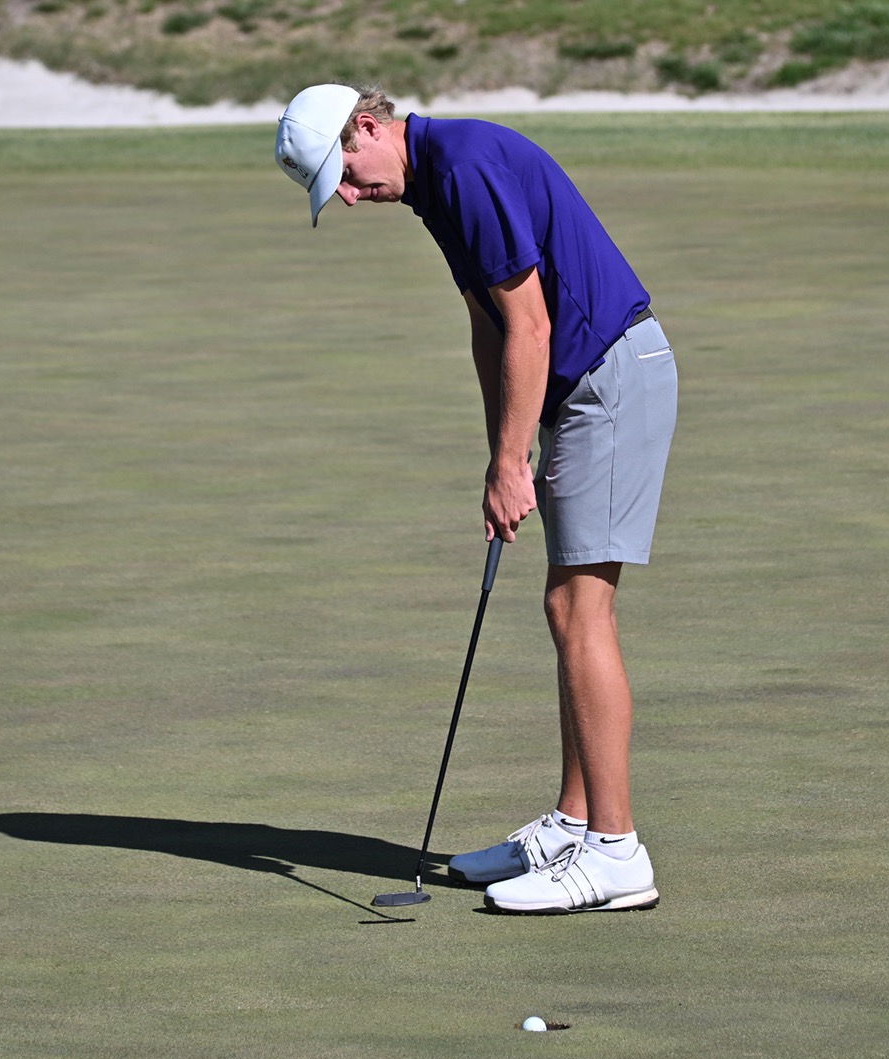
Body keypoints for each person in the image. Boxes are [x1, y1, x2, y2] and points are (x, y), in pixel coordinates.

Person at [275, 83, 678, 914]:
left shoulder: (464, 165)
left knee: (579, 611)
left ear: (370, 126)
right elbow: (486, 325)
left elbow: (530, 325)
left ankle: (616, 852)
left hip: (608, 377)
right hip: (579, 387)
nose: (350, 196)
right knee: (565, 608)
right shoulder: (432, 183)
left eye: (344, 171)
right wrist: (508, 448)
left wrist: (507, 465)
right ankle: (575, 823)